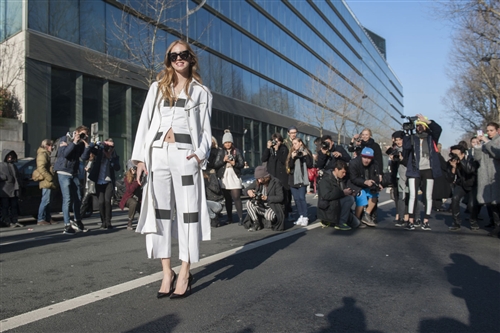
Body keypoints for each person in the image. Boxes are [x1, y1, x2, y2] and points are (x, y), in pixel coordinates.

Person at [131, 39, 212, 299]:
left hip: (185, 156)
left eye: (184, 54)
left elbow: (206, 131)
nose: (179, 58)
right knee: (160, 213)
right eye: (173, 55)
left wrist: (199, 156)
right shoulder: (157, 88)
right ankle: (167, 272)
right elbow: (145, 122)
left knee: (188, 214)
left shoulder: (201, 92)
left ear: (191, 58)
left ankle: (185, 270)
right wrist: (140, 159)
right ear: (168, 59)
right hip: (158, 156)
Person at [403, 114, 442, 231]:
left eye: (421, 125)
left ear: (425, 126)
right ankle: (411, 220)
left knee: (428, 195)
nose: (419, 127)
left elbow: (438, 129)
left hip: (428, 169)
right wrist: (407, 134)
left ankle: (426, 220)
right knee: (413, 195)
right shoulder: (412, 137)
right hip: (414, 169)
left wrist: (427, 121)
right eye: (417, 126)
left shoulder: (431, 137)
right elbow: (406, 148)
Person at [53, 126, 92, 234]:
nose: (83, 136)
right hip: (63, 171)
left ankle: (77, 221)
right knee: (67, 198)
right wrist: (74, 142)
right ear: (77, 132)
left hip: (73, 172)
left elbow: (84, 157)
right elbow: (65, 154)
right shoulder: (65, 139)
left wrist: (87, 145)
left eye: (85, 134)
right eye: (82, 134)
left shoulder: (81, 143)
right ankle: (66, 225)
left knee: (78, 197)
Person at [317, 160, 360, 230]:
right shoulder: (325, 179)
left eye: (345, 172)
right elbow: (326, 196)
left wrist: (349, 192)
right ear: (336, 169)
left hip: (336, 205)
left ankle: (339, 219)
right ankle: (340, 222)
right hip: (328, 207)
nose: (344, 174)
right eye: (343, 172)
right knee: (350, 199)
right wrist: (343, 193)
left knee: (356, 223)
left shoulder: (340, 179)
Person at [474, 122, 500, 238]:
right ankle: (496, 225)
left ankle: (497, 227)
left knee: (497, 202)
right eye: (487, 130)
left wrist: (487, 142)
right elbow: (477, 158)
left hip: (496, 174)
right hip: (485, 174)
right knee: (491, 203)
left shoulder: (497, 141)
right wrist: (478, 147)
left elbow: (497, 154)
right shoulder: (485, 143)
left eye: (491, 130)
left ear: (497, 130)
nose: (489, 132)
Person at [446, 144, 480, 231]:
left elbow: (469, 170)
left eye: (455, 153)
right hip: (461, 184)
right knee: (455, 199)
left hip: (472, 185)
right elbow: (450, 179)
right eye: (452, 153)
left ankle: (473, 221)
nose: (454, 156)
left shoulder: (471, 159)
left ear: (462, 153)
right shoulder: (453, 161)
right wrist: (453, 168)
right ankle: (456, 222)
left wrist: (461, 160)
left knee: (471, 205)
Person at [89, 138, 121, 229]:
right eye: (108, 146)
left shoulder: (114, 156)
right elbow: (90, 148)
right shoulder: (99, 153)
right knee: (100, 202)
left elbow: (117, 167)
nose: (109, 149)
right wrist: (100, 144)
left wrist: (110, 158)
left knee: (107, 201)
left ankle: (108, 221)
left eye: (112, 147)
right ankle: (103, 221)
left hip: (108, 181)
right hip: (99, 181)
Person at [348, 147, 382, 227]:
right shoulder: (354, 163)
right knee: (361, 195)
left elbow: (375, 176)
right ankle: (356, 219)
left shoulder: (374, 163)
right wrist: (364, 182)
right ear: (361, 156)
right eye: (365, 157)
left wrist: (377, 184)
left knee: (374, 193)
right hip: (355, 184)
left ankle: (366, 215)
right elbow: (353, 178)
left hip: (367, 184)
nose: (366, 160)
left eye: (369, 158)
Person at [244, 166, 285, 231]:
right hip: (261, 206)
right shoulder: (257, 182)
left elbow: (280, 197)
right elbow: (246, 189)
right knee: (249, 203)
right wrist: (249, 191)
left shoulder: (276, 182)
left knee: (269, 216)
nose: (259, 181)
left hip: (272, 206)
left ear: (265, 177)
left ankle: (271, 222)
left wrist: (267, 198)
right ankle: (256, 223)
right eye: (257, 179)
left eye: (260, 179)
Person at [218, 129, 245, 224]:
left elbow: (242, 163)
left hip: (234, 175)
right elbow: (216, 164)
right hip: (225, 176)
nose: (228, 144)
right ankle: (230, 217)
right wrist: (223, 160)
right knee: (227, 198)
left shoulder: (236, 151)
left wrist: (234, 163)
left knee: (236, 196)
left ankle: (241, 217)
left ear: (232, 142)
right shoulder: (221, 152)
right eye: (226, 142)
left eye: (229, 142)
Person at [262, 132, 290, 218]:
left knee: (284, 195)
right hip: (272, 174)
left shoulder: (284, 148)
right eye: (274, 141)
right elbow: (263, 159)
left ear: (281, 141)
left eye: (277, 141)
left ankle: (287, 212)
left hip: (282, 175)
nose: (275, 143)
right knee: (273, 194)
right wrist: (268, 148)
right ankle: (275, 213)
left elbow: (284, 160)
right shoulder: (270, 149)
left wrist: (277, 150)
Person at [286, 137, 313, 226]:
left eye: (296, 143)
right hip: (293, 179)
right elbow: (289, 166)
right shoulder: (291, 152)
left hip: (302, 179)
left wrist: (306, 156)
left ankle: (305, 217)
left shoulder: (307, 152)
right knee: (297, 199)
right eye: (293, 144)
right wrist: (292, 158)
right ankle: (301, 215)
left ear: (300, 143)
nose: (294, 145)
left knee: (302, 198)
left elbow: (310, 165)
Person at [35, 139, 56, 226]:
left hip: (49, 180)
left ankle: (47, 217)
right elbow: (41, 168)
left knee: (48, 201)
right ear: (47, 145)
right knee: (45, 200)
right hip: (46, 181)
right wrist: (49, 177)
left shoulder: (47, 154)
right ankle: (41, 219)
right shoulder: (43, 154)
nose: (52, 147)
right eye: (51, 145)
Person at [0, 149, 22, 228]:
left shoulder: (13, 165)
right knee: (5, 207)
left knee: (14, 206)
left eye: (11, 156)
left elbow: (17, 176)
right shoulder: (1, 166)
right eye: (8, 156)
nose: (10, 157)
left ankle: (15, 221)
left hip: (14, 189)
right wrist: (4, 177)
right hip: (5, 190)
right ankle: (7, 221)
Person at [119, 162, 142, 230]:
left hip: (139, 197)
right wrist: (136, 181)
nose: (134, 170)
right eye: (133, 168)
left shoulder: (140, 176)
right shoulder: (127, 178)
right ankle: (130, 221)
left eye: (136, 168)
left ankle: (142, 221)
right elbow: (130, 190)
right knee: (134, 203)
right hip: (128, 198)